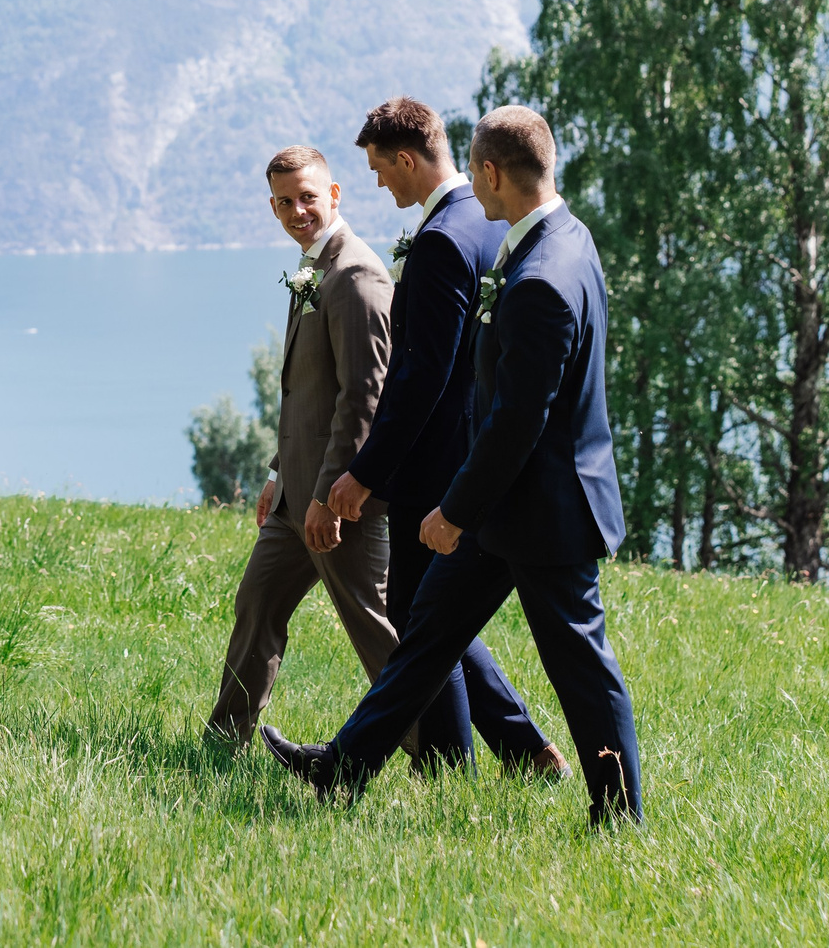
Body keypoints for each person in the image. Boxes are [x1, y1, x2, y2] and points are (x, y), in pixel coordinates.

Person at [261, 105, 645, 825]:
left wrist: (454, 510)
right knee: (428, 634)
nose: (469, 183)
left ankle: (621, 818)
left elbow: (517, 423)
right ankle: (341, 769)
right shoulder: (567, 237)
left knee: (583, 669)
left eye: (474, 170)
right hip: (510, 506)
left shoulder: (540, 279)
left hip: (546, 512)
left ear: (492, 172)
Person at [328, 97, 565, 778]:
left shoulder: (439, 240)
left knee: (420, 613)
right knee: (438, 612)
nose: (380, 183)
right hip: (475, 453)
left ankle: (447, 764)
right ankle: (524, 751)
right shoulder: (487, 223)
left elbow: (420, 376)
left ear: (407, 159)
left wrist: (365, 472)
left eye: (380, 169)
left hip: (436, 463)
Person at [204, 145, 406, 744]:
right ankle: (225, 740)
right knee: (257, 605)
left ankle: (438, 753)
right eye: (284, 202)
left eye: (308, 197)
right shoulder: (314, 268)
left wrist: (326, 498)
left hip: (338, 499)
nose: (298, 211)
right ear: (272, 206)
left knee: (375, 630)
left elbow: (363, 399)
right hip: (295, 495)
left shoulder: (357, 275)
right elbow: (306, 392)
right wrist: (277, 475)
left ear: (335, 195)